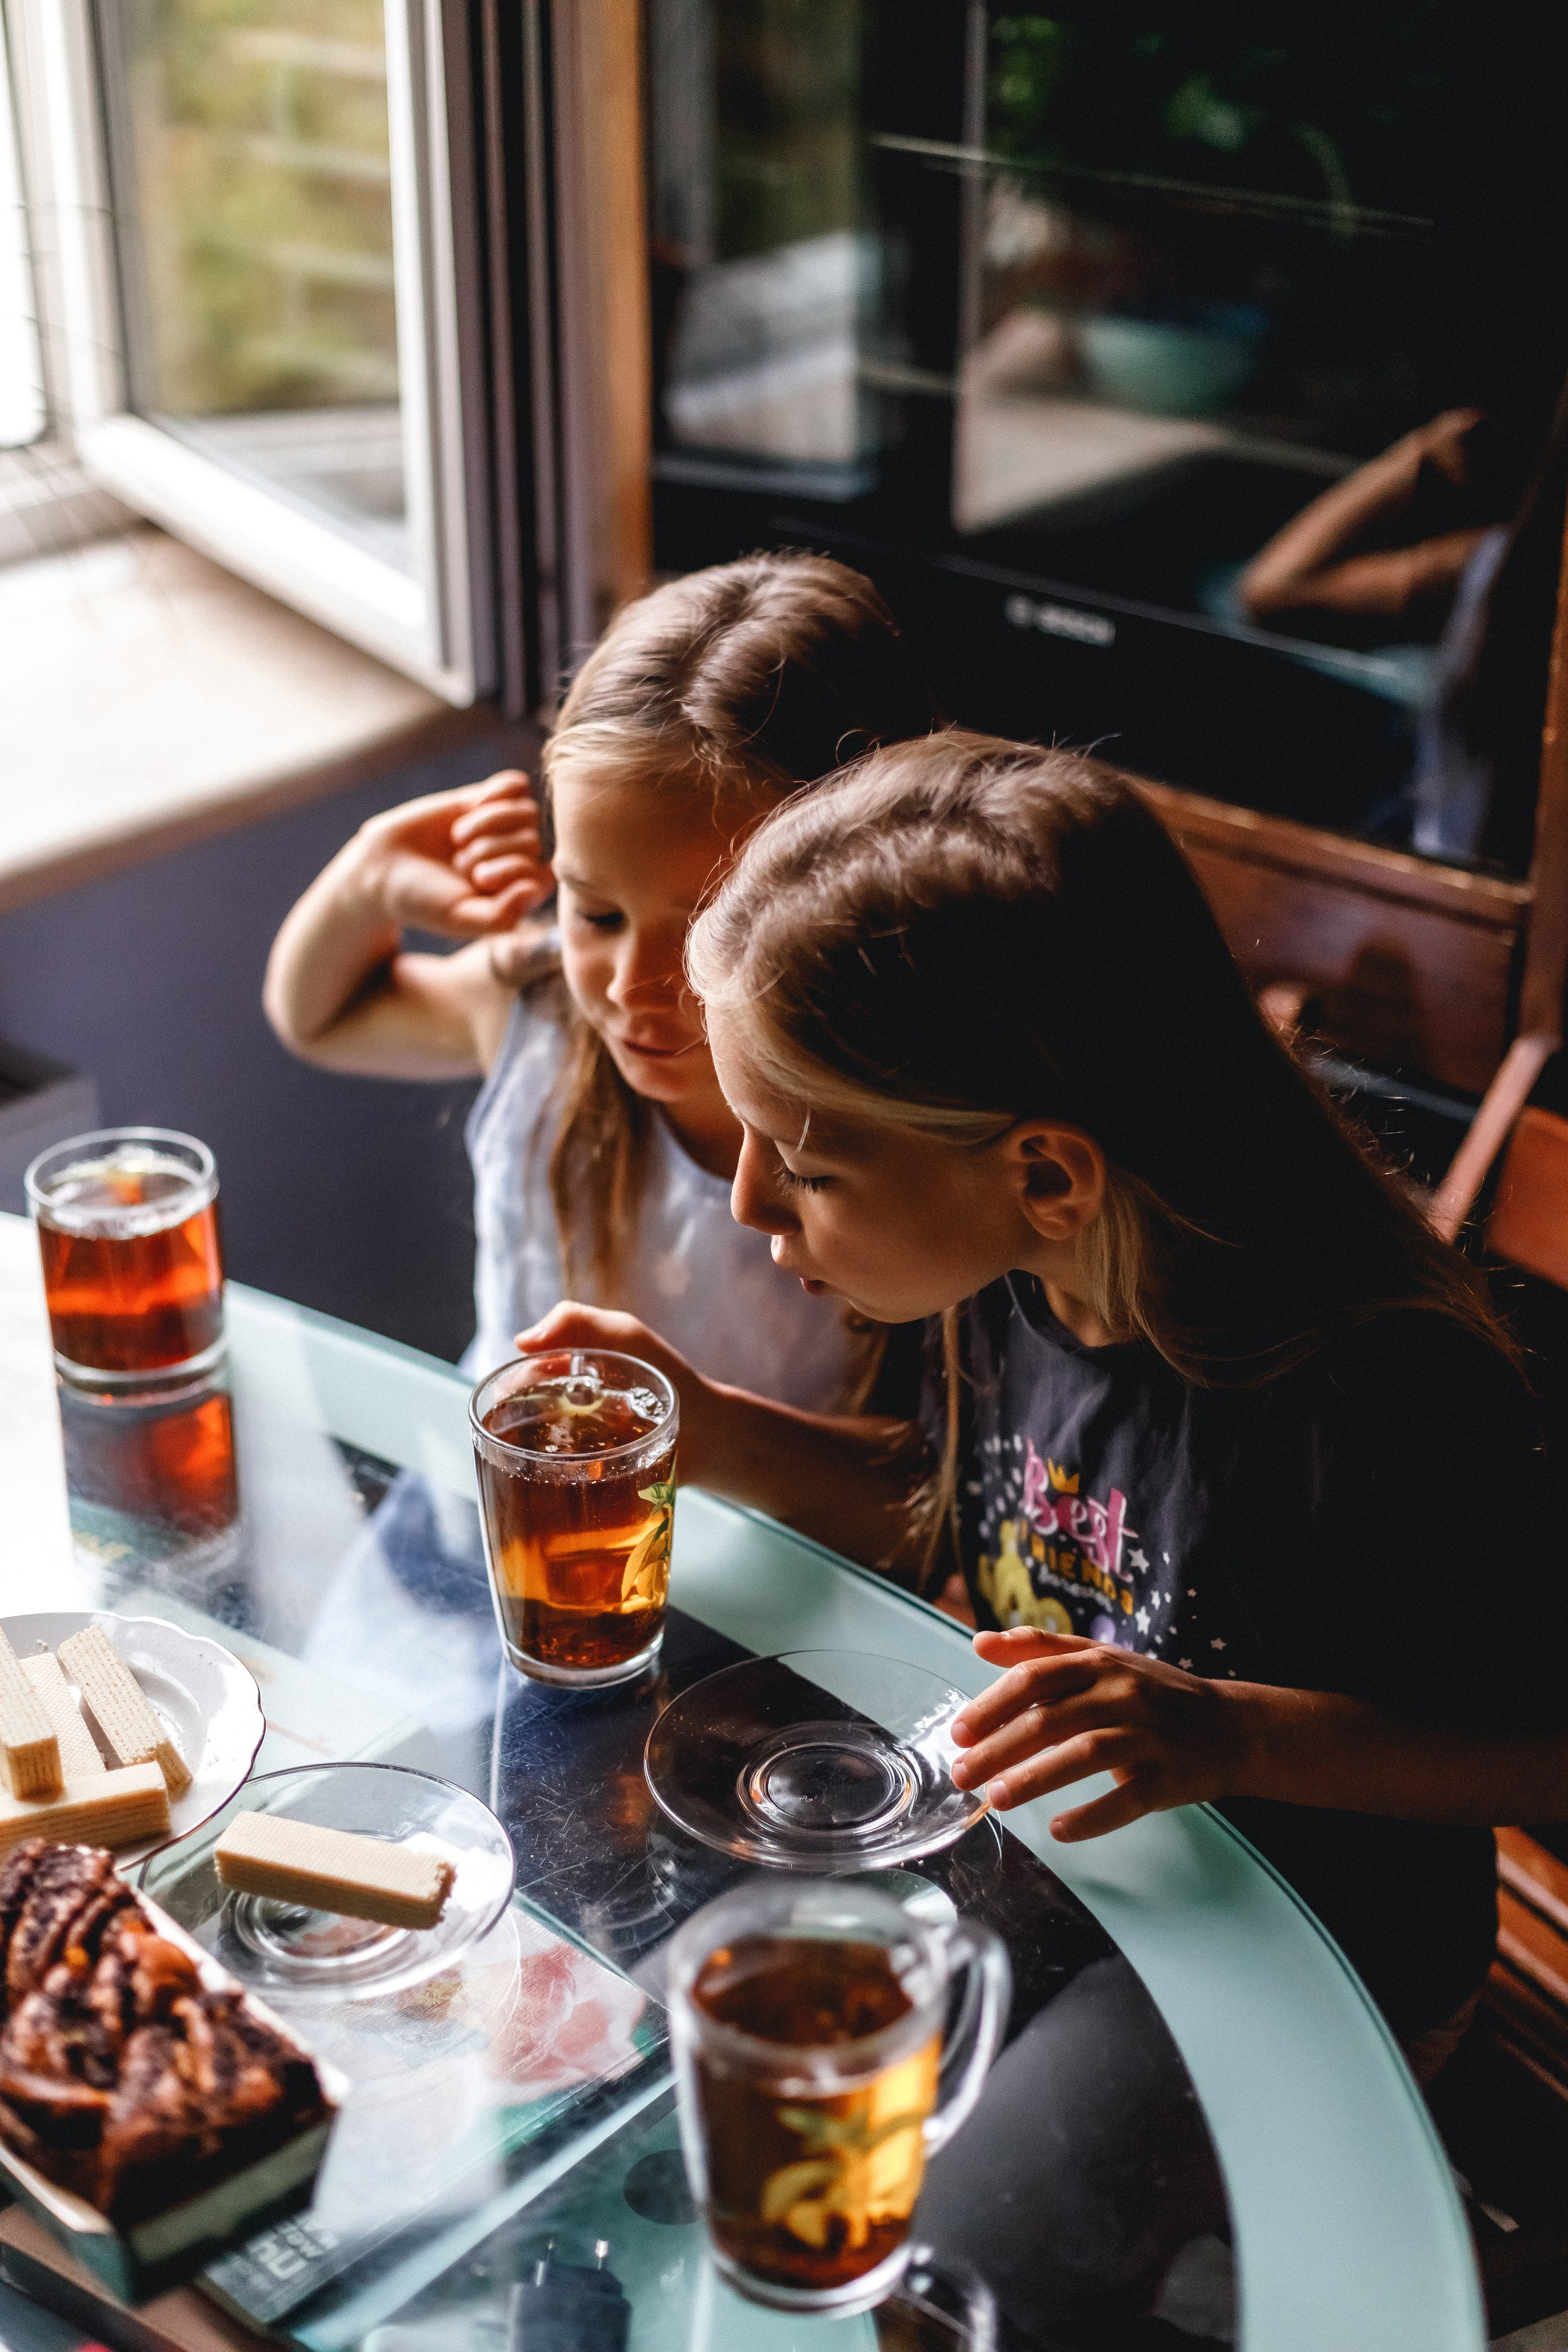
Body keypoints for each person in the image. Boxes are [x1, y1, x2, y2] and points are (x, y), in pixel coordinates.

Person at [515, 729, 1568, 2332]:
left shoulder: (1372, 1390)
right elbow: (952, 1512)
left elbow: (1541, 1749)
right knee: (656, 2061)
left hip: (1303, 1952)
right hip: (1058, 1863)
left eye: (801, 1164)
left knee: (962, 2273)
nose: (750, 1210)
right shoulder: (1015, 1274)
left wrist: (1223, 1733)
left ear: (1050, 1173)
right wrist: (719, 1433)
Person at [263, 552, 938, 1404]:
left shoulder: (912, 1138)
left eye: (704, 936)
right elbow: (315, 1019)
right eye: (596, 914)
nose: (630, 986)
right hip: (487, 1520)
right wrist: (365, 881)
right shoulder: (538, 1011)